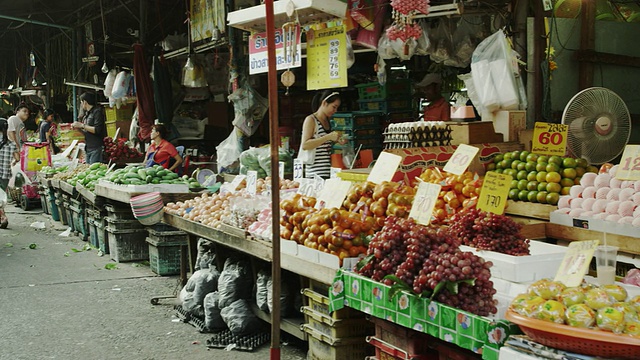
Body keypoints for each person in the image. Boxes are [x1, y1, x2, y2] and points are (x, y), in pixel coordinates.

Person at [300, 90, 345, 179]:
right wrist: (327, 137)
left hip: (329, 172)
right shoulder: (311, 120)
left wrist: (336, 140)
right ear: (324, 103)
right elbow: (305, 145)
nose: (335, 111)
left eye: (337, 108)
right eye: (334, 107)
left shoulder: (328, 122)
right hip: (315, 174)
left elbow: (323, 145)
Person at [73, 92, 106, 164]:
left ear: (85, 102)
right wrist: (79, 129)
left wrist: (82, 125)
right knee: (89, 172)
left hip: (96, 147)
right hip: (88, 148)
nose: (81, 105)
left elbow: (97, 130)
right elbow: (87, 132)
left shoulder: (97, 112)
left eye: (81, 102)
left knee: (94, 172)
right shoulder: (87, 115)